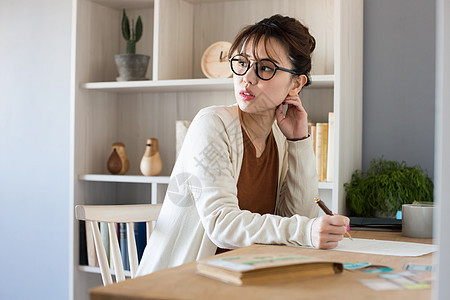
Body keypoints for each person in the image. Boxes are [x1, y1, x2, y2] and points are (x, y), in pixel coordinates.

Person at [136, 14, 350, 276]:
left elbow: (296, 216)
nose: (247, 77)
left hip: (247, 277)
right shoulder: (212, 124)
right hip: (184, 282)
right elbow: (221, 224)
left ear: (296, 83)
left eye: (266, 67)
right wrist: (305, 230)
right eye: (241, 62)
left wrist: (298, 142)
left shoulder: (281, 137)